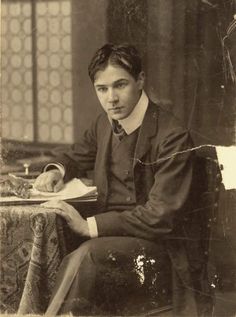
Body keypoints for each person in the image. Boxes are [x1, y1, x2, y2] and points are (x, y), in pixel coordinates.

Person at [35, 43, 212, 316]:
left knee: (87, 257)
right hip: (114, 236)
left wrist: (89, 225)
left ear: (140, 80)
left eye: (120, 85)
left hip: (161, 249)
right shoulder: (104, 123)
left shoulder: (172, 135)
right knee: (63, 248)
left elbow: (160, 217)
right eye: (102, 89)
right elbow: (76, 156)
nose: (111, 99)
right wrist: (56, 171)